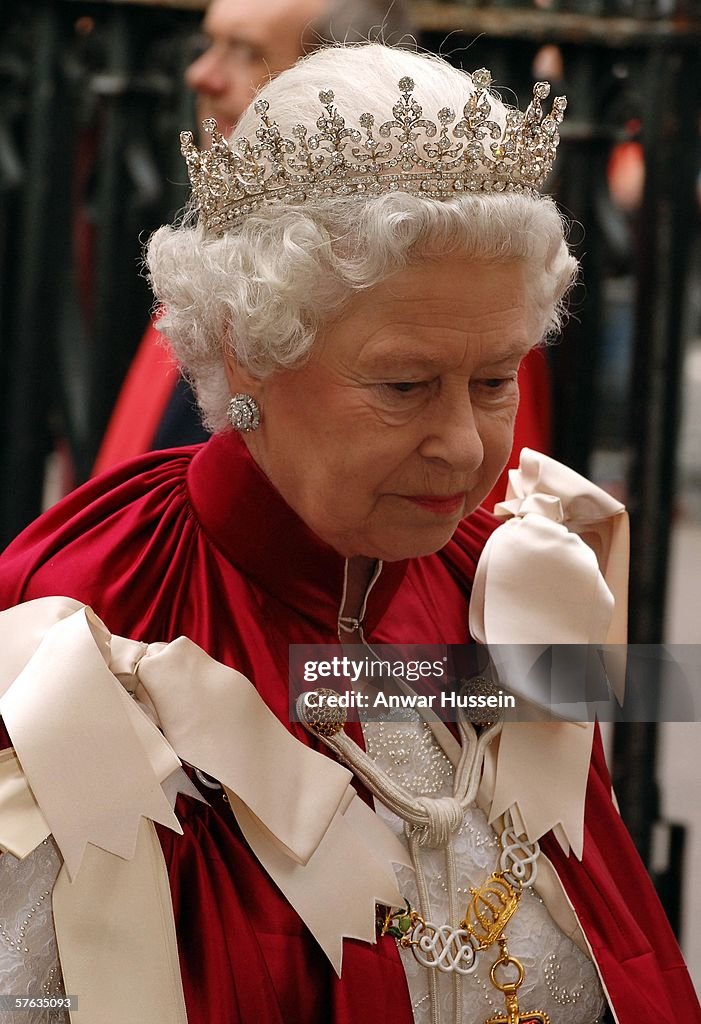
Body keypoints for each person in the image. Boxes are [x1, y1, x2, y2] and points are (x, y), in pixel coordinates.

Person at [0, 44, 696, 1024]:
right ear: (250, 353)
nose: (462, 447)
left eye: (493, 380)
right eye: (404, 385)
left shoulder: (501, 593)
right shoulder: (89, 643)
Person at [92, 0, 416, 473]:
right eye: (209, 45)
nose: (200, 74)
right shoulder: (223, 248)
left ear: (338, 86)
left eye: (246, 53)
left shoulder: (424, 290)